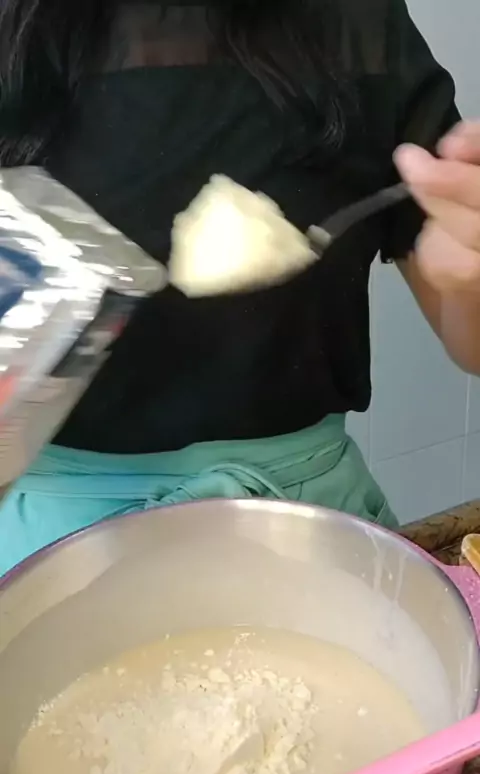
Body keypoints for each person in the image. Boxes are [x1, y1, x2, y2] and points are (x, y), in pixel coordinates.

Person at [0, 0, 480, 575]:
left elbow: (472, 340)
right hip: (49, 550)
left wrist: (470, 270)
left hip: (306, 536)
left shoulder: (357, 18)